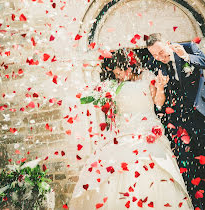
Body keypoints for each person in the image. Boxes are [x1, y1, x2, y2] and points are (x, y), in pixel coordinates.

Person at [69, 49, 193, 209]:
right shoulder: (113, 87)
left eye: (120, 73)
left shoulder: (148, 77)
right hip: (122, 133)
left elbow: (159, 103)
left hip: (147, 129)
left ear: (129, 67)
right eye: (116, 74)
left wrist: (161, 87)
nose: (118, 77)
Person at [146, 33, 205, 210]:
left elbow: (203, 61)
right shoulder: (155, 64)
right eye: (155, 55)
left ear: (168, 44)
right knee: (190, 166)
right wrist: (161, 86)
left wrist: (185, 57)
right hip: (179, 123)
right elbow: (159, 103)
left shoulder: (187, 48)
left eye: (161, 52)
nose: (159, 57)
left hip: (200, 116)